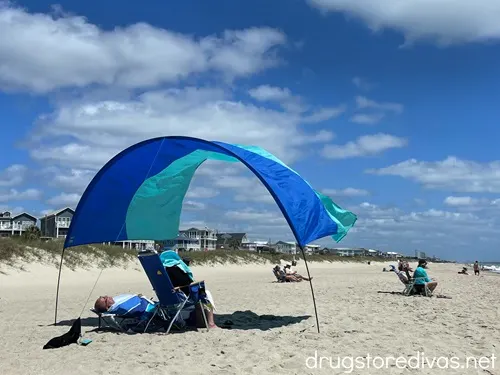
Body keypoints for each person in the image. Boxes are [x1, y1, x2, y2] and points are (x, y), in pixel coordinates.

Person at [160, 250, 218, 328]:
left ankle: (200, 322)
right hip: (182, 297)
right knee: (206, 295)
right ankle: (211, 323)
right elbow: (186, 282)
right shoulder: (175, 268)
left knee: (200, 296)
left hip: (169, 298)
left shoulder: (162, 271)